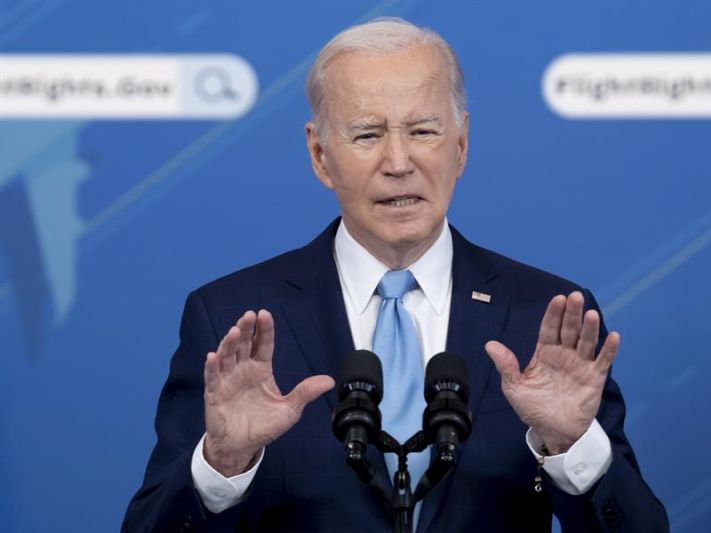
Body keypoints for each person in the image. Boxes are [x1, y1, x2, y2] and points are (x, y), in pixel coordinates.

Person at [123, 17, 669, 532]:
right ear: (319, 154)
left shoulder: (547, 318)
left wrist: (574, 446)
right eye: (367, 135)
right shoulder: (232, 320)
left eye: (424, 131)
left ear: (460, 145)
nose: (399, 161)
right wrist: (223, 463)